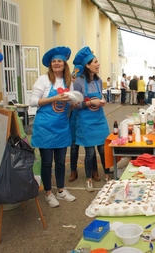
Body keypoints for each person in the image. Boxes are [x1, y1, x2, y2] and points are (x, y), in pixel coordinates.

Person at [30, 46, 76, 208]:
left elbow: (69, 104)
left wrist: (73, 102)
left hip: (62, 126)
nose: (57, 63)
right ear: (50, 64)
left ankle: (61, 190)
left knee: (62, 162)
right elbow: (33, 101)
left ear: (64, 64)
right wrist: (54, 98)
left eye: (60, 61)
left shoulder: (68, 81)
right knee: (47, 163)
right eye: (54, 61)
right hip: (45, 127)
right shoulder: (43, 80)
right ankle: (49, 193)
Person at [72, 46, 110, 192]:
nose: (98, 64)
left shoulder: (99, 81)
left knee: (103, 150)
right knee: (90, 153)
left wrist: (102, 100)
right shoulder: (79, 82)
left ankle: (107, 176)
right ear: (87, 65)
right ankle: (88, 180)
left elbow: (99, 97)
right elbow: (75, 105)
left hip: (99, 120)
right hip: (86, 122)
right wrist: (89, 103)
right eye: (95, 62)